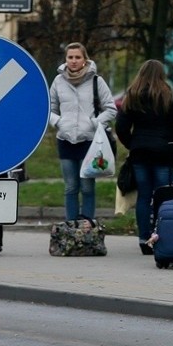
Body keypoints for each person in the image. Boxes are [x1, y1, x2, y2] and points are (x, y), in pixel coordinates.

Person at [115, 60, 173, 254]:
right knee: (162, 197)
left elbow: (121, 125)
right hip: (164, 152)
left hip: (140, 152)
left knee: (143, 196)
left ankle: (143, 238)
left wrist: (131, 143)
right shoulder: (169, 96)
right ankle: (160, 236)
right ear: (161, 74)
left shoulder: (132, 95)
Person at [49, 42, 116, 225]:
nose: (73, 61)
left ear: (85, 59)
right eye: (70, 57)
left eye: (77, 57)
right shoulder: (58, 81)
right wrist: (59, 122)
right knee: (70, 187)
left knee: (87, 187)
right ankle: (70, 225)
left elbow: (110, 109)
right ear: (66, 59)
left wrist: (95, 123)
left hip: (89, 141)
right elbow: (49, 109)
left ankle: (87, 224)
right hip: (65, 139)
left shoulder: (96, 81)